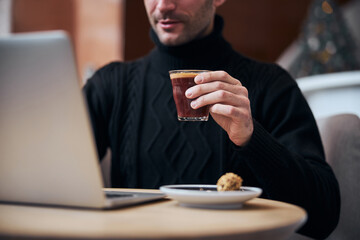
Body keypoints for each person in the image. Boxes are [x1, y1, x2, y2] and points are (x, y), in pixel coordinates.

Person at [83, 0, 340, 239]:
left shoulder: (270, 85)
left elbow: (324, 216)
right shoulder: (110, 86)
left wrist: (252, 140)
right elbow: (49, 181)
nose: (163, 6)